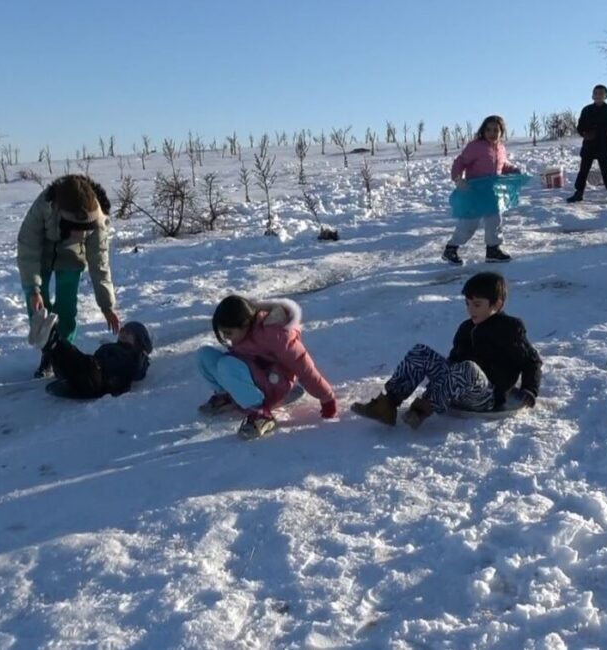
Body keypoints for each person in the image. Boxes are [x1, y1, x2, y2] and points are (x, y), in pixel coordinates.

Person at [351, 272, 542, 429]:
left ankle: (422, 409)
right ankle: (388, 404)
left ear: (497, 304)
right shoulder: (466, 328)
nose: (470, 310)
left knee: (468, 368)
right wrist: (442, 380)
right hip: (456, 389)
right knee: (421, 352)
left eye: (477, 305)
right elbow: (453, 361)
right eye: (467, 304)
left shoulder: (510, 328)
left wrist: (529, 389)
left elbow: (531, 361)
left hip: (487, 395)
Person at [16, 174, 121, 378]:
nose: (81, 235)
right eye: (76, 229)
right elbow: (27, 248)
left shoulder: (97, 219)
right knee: (38, 307)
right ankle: (48, 349)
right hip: (41, 256)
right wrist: (34, 288)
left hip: (72, 259)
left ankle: (61, 354)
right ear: (59, 212)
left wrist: (107, 306)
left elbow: (99, 264)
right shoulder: (44, 206)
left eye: (86, 230)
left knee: (66, 308)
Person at [196, 295, 338, 440]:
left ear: (245, 324)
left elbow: (304, 367)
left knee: (227, 365)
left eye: (229, 333)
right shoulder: (245, 331)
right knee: (204, 355)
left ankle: (261, 413)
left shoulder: (276, 334)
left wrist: (327, 398)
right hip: (252, 375)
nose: (227, 338)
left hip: (274, 382)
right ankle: (227, 395)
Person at [444, 115, 525, 265]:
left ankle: (493, 250)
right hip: (475, 192)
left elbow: (502, 165)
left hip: (492, 193)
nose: (492, 133)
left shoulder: (501, 148)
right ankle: (451, 248)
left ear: (502, 132)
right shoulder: (475, 146)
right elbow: (460, 162)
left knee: (495, 221)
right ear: (483, 130)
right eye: (488, 129)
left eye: (496, 130)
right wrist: (457, 179)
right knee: (469, 224)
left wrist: (513, 170)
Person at [29, 311, 152, 398]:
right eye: (123, 330)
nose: (123, 333)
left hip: (101, 381)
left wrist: (142, 356)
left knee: (78, 360)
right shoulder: (111, 347)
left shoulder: (135, 356)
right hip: (92, 377)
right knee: (71, 364)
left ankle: (52, 338)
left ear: (139, 341)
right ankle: (46, 341)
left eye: (129, 333)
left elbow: (137, 372)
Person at [567, 84, 607, 204]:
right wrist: (586, 134)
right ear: (592, 95)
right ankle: (578, 193)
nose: (598, 96)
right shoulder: (586, 110)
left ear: (606, 95)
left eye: (601, 93)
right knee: (583, 170)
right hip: (589, 145)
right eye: (596, 93)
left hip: (604, 145)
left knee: (606, 170)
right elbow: (580, 127)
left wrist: (599, 132)